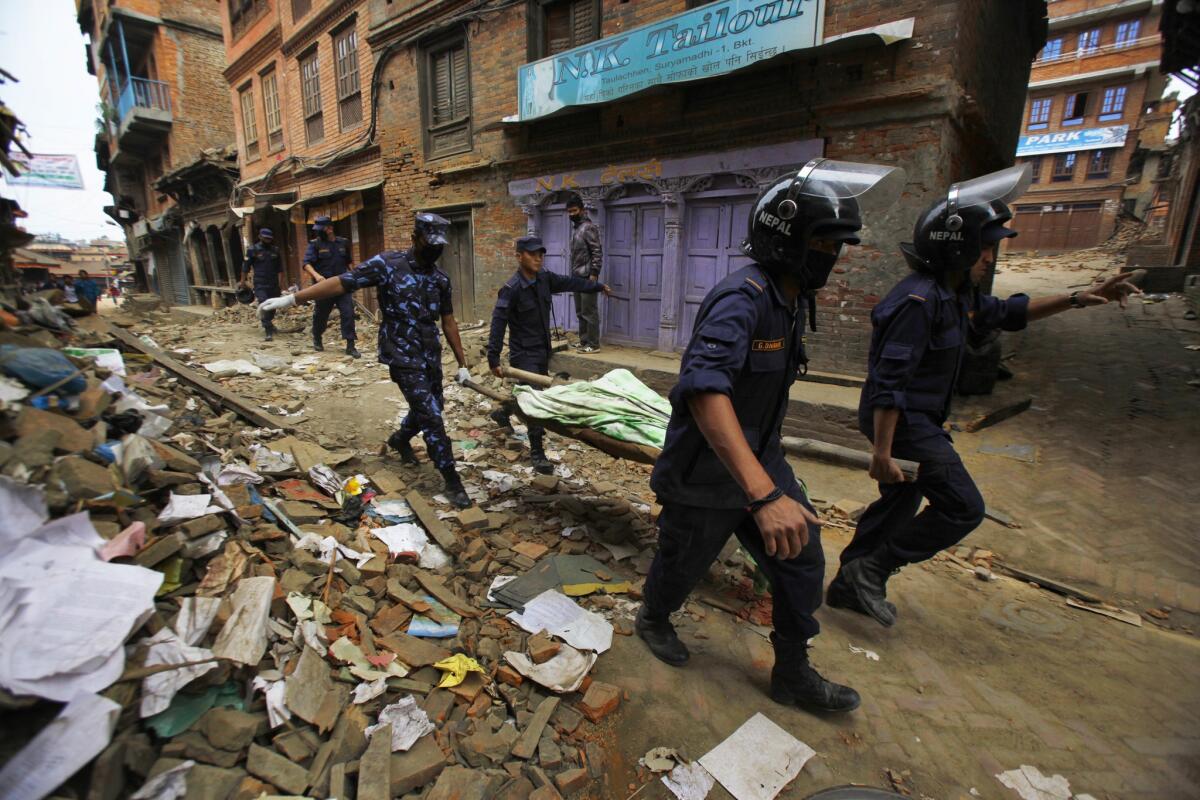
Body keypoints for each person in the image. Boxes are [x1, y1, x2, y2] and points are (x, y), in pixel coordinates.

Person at [636, 159, 903, 713]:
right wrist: (760, 495)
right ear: (788, 240)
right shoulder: (743, 299)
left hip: (762, 462)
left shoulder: (790, 299)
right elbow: (706, 392)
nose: (833, 257)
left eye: (838, 246)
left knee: (802, 556)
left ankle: (793, 671)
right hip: (706, 475)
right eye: (824, 244)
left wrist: (768, 485)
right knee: (683, 564)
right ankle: (653, 618)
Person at [827, 165, 1141, 628]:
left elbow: (1008, 312)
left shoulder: (956, 295)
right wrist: (882, 451)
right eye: (986, 246)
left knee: (899, 501)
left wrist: (1079, 297)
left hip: (919, 420)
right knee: (963, 506)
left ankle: (847, 584)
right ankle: (871, 570)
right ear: (958, 245)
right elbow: (890, 382)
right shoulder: (919, 302)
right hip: (903, 422)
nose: (990, 258)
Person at [260, 213, 475, 509]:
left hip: (429, 353)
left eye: (439, 246)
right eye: (429, 243)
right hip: (401, 353)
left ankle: (400, 440)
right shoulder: (387, 264)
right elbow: (342, 283)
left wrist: (463, 364)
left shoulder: (440, 279)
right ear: (415, 238)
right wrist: (293, 299)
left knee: (432, 404)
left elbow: (448, 321)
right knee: (432, 417)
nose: (435, 250)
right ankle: (452, 481)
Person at [486, 235, 611, 473]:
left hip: (542, 351)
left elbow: (571, 282)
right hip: (523, 356)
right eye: (532, 254)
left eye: (541, 254)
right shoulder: (511, 290)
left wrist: (597, 286)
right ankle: (537, 452)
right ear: (519, 256)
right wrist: (493, 358)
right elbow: (497, 324)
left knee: (530, 394)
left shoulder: (545, 279)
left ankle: (503, 413)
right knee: (536, 400)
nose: (538, 258)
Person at [302, 215, 360, 358]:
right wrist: (317, 276)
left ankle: (350, 345)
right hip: (323, 286)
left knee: (348, 313)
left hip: (342, 284)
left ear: (329, 229)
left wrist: (355, 277)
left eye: (321, 229)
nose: (318, 232)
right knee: (321, 315)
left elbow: (349, 262)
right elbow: (306, 264)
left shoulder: (343, 243)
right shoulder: (315, 244)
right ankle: (317, 336)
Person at [566, 196, 603, 353]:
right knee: (580, 311)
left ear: (582, 210)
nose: (572, 214)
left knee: (589, 311)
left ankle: (593, 345)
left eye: (574, 211)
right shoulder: (577, 229)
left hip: (587, 276)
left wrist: (594, 274)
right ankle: (584, 341)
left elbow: (597, 252)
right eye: (569, 212)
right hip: (576, 276)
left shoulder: (588, 227)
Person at [241, 227, 285, 341]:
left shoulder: (275, 250)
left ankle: (269, 323)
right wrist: (243, 282)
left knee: (273, 306)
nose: (267, 240)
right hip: (260, 283)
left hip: (273, 283)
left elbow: (280, 269)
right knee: (264, 305)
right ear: (260, 237)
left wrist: (280, 284)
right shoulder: (252, 250)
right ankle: (268, 331)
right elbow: (245, 267)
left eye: (269, 239)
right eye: (265, 238)